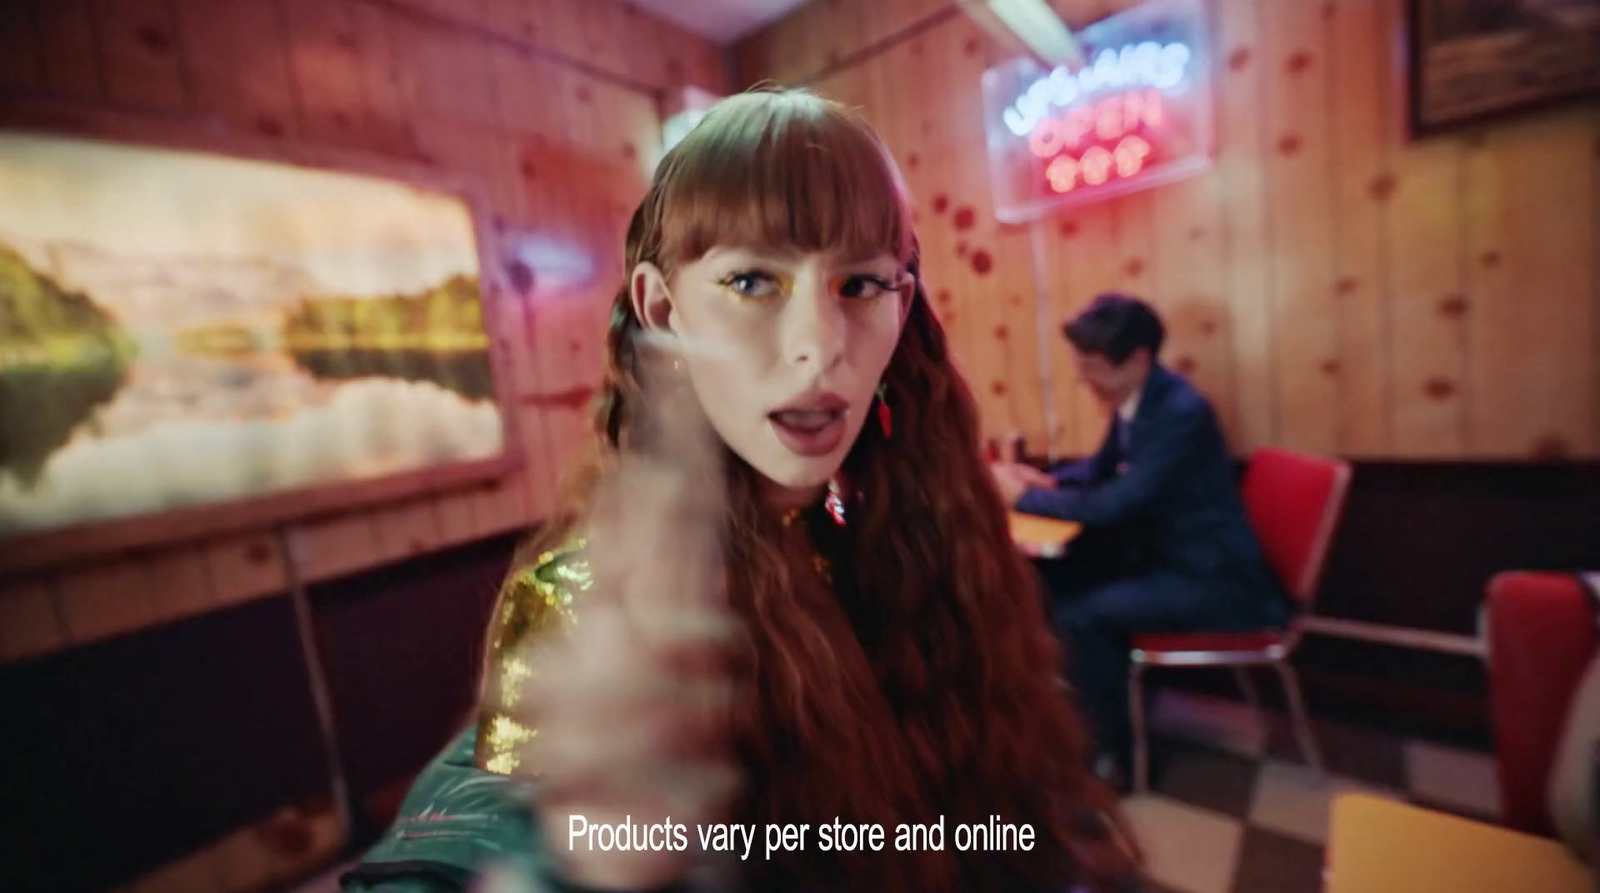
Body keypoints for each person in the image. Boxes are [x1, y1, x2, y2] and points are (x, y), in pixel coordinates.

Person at [341, 89, 1139, 893]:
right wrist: (570, 860)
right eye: (754, 280)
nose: (819, 348)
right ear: (663, 310)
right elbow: (469, 828)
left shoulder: (909, 535)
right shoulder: (581, 596)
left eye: (859, 284)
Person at [990, 294, 1287, 785]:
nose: (1084, 378)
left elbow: (1114, 505)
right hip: (1165, 559)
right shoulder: (1139, 401)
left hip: (1215, 579)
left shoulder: (1180, 414)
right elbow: (1101, 470)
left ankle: (1113, 757)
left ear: (1139, 359)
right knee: (1051, 580)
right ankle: (1079, 716)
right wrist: (1048, 480)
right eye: (1080, 364)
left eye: (1092, 366)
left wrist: (1020, 498)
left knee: (1082, 615)